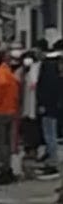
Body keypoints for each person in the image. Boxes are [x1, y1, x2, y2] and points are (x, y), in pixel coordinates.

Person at [0, 49, 20, 185]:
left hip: (1, 111)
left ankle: (3, 170)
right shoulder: (8, 71)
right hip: (11, 110)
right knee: (7, 142)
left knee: (0, 143)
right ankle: (7, 168)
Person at [36, 39, 62, 181]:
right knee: (51, 133)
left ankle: (52, 163)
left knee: (49, 134)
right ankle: (51, 160)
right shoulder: (56, 65)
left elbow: (46, 87)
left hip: (49, 105)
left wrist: (42, 103)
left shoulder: (48, 65)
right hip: (55, 104)